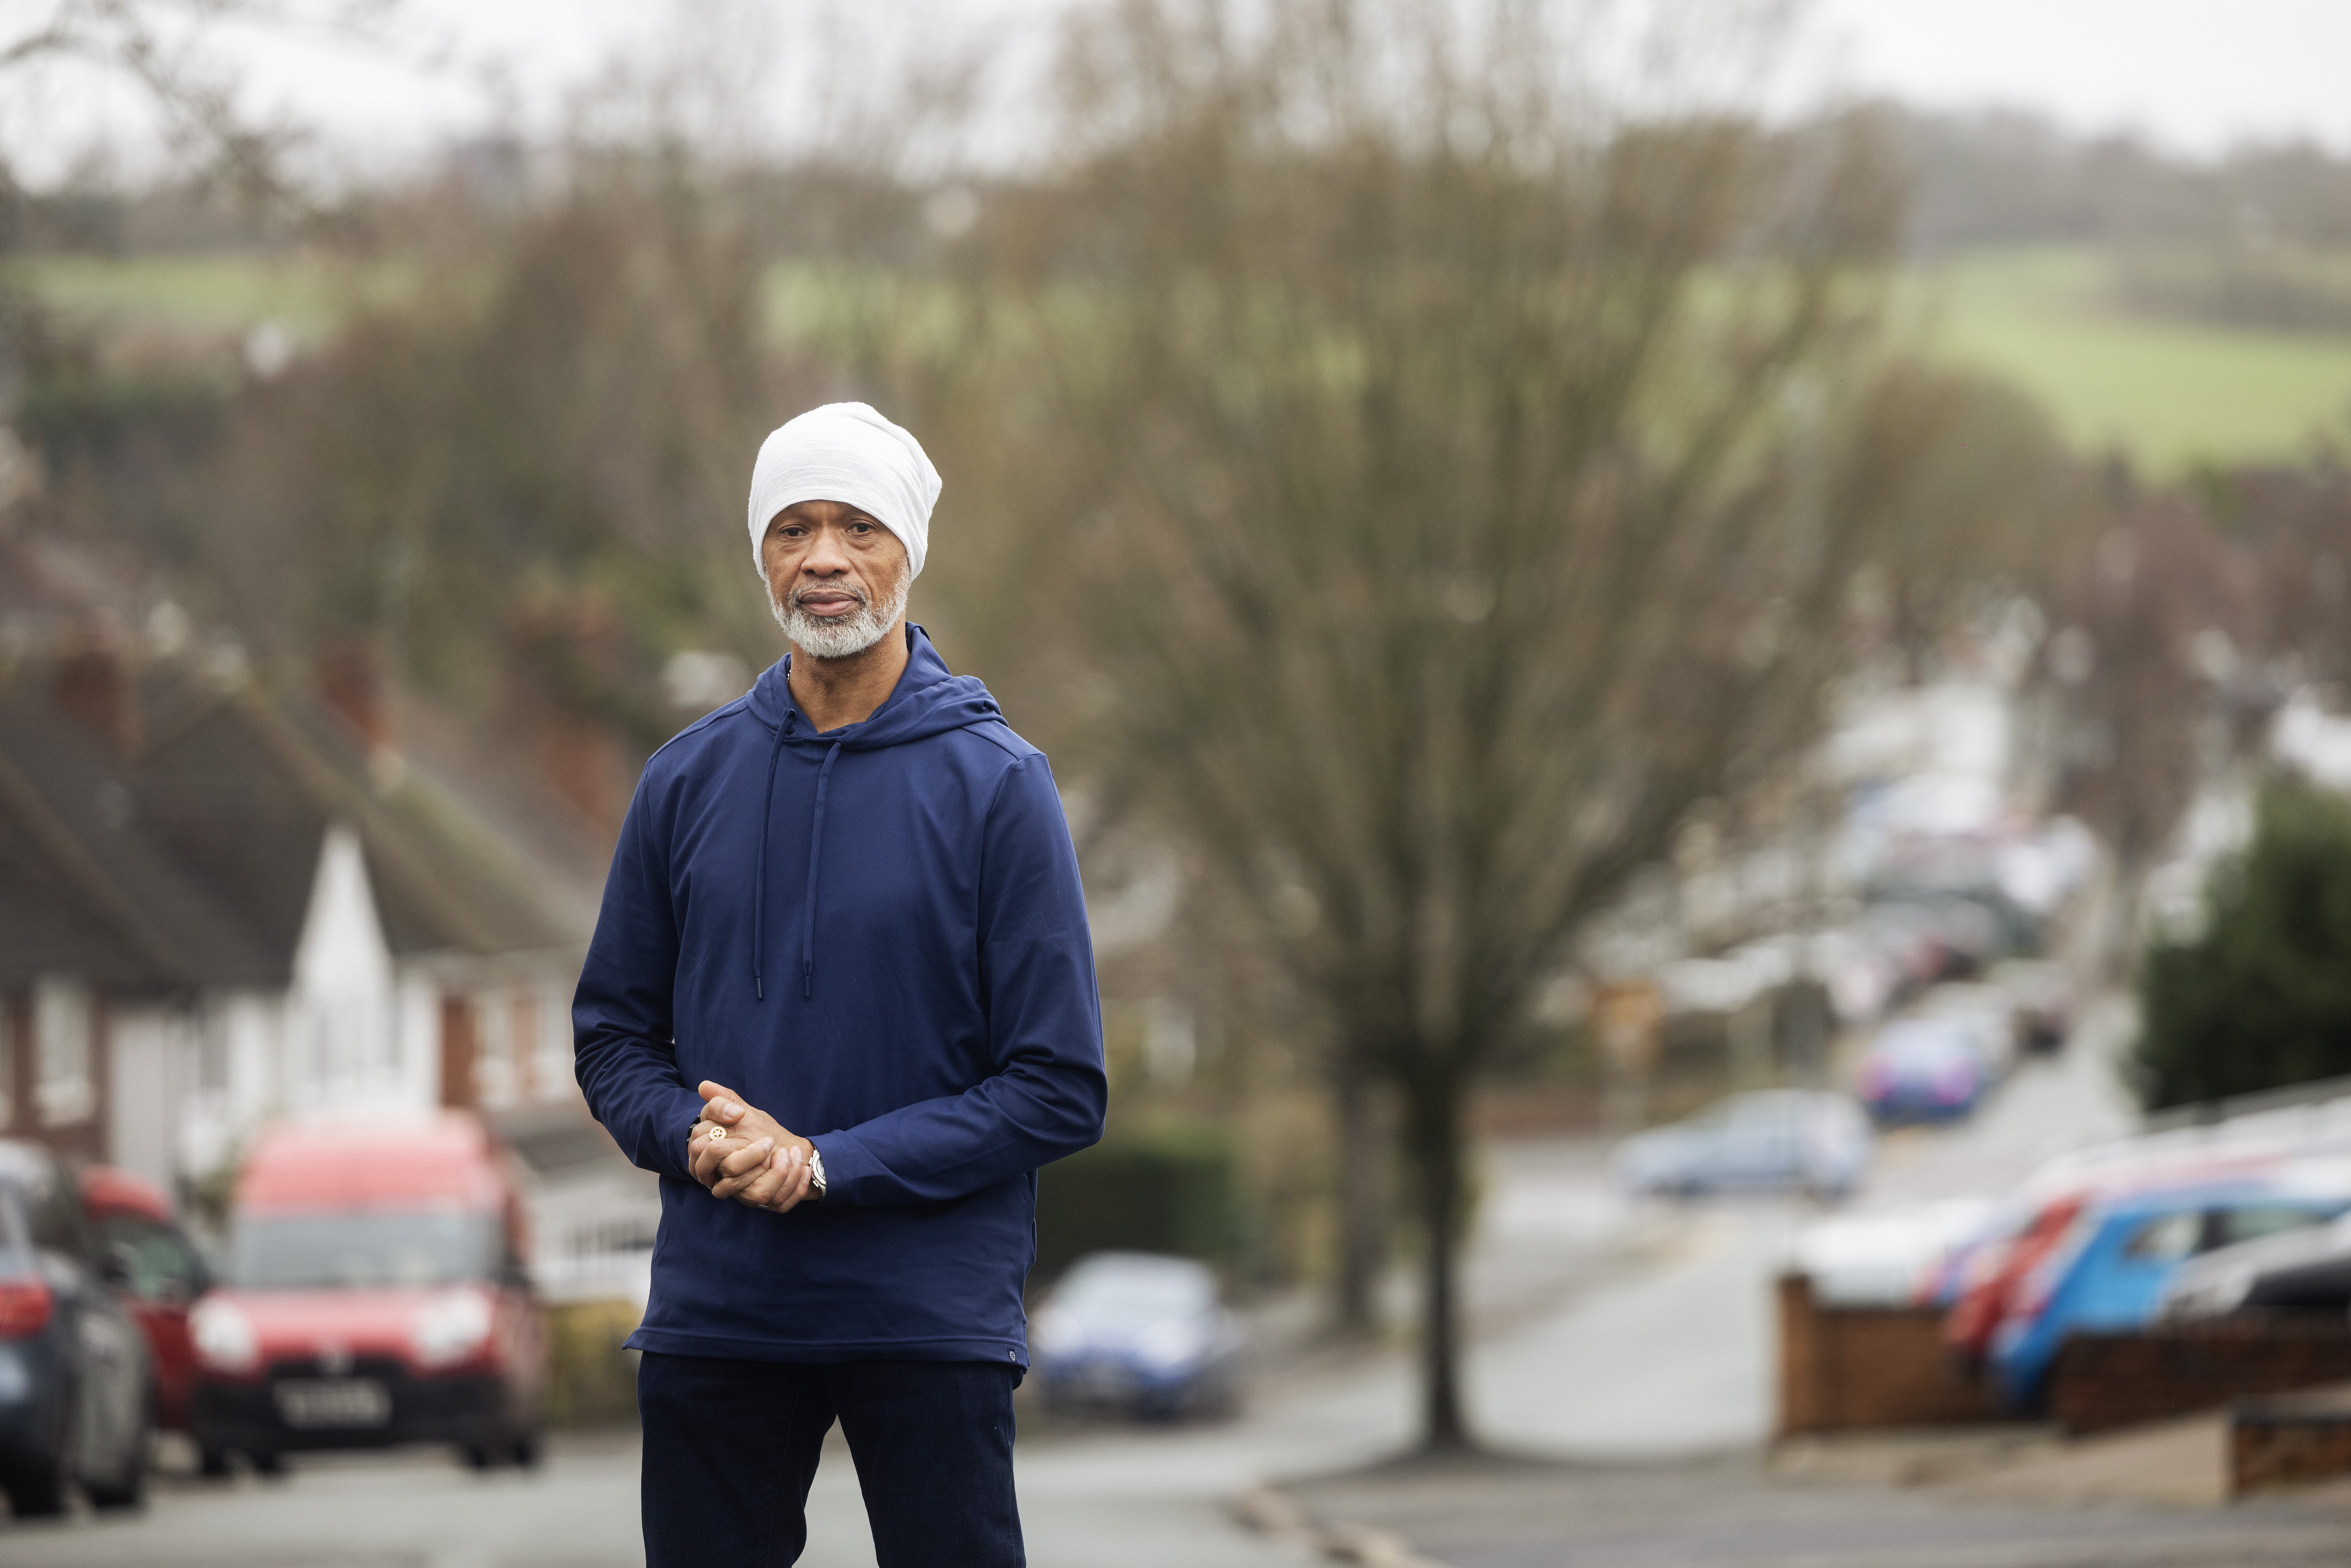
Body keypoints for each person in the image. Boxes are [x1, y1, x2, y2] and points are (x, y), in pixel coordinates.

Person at [574, 401, 1108, 1567]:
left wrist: (825, 1165)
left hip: (927, 1318)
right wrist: (694, 1137)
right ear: (762, 554)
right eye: (794, 527)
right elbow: (612, 1033)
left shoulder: (997, 786)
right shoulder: (684, 781)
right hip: (721, 1314)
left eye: (856, 527)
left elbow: (1058, 1084)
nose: (822, 556)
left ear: (906, 553)